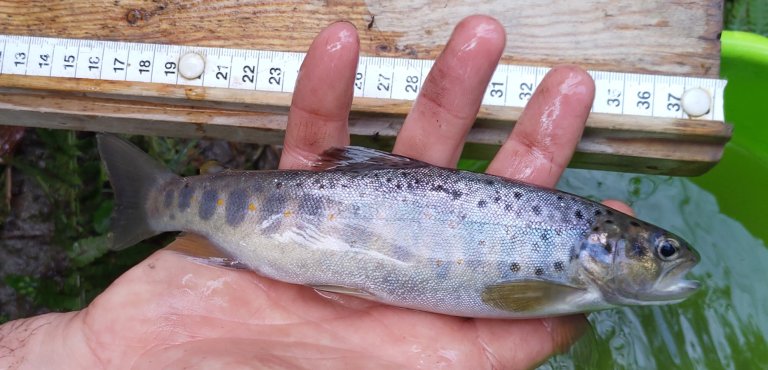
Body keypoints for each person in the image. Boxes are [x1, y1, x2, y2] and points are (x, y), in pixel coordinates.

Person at [0, 15, 632, 369]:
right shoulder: (571, 282)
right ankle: (158, 202)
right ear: (607, 247)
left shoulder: (574, 277)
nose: (666, 261)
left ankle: (161, 201)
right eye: (657, 252)